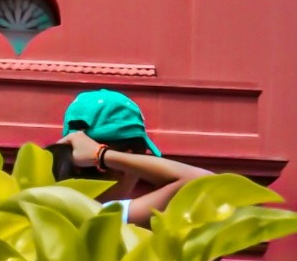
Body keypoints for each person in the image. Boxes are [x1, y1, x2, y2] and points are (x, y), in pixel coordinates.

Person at [55, 88, 210, 224]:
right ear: (128, 162)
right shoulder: (109, 216)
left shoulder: (45, 206)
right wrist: (103, 155)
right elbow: (205, 183)